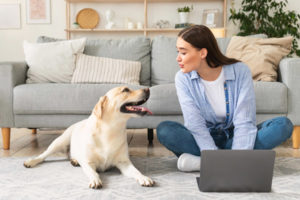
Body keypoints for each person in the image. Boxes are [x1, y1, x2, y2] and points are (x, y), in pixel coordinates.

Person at [156, 25, 294, 172]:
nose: (178, 58)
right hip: (203, 137)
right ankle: (232, 161)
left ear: (202, 53)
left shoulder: (240, 71)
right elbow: (195, 124)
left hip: (234, 137)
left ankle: (203, 163)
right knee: (165, 130)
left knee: (282, 125)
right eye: (178, 52)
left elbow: (245, 121)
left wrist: (238, 153)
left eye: (183, 52)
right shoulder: (182, 78)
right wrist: (214, 154)